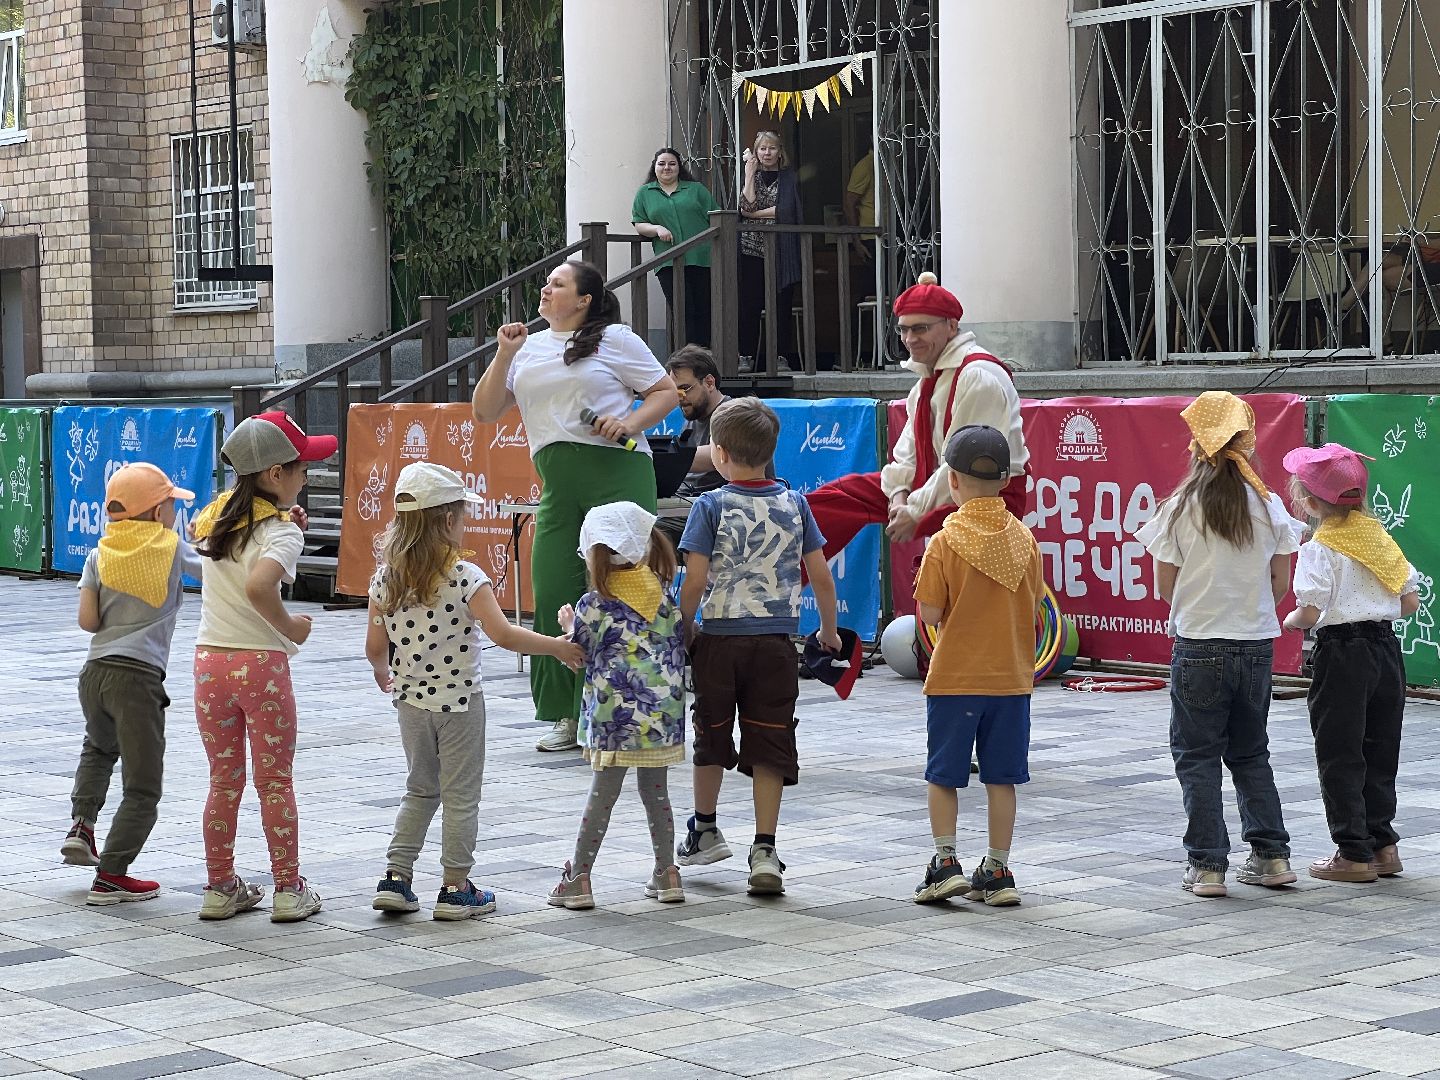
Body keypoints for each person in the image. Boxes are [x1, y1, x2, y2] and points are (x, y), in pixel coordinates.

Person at [471, 260, 680, 754]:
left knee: (627, 589)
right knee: (554, 591)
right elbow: (484, 410)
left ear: (584, 299)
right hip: (558, 485)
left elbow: (666, 392)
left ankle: (641, 703)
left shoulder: (616, 338)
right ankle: (565, 713)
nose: (545, 288)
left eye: (557, 284)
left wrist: (629, 423)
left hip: (617, 473)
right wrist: (504, 353)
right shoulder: (527, 347)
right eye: (546, 283)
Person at [366, 463, 585, 920]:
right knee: (461, 794)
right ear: (448, 520)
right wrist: (557, 647)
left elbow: (374, 646)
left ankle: (396, 877)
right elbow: (504, 635)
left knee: (419, 789)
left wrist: (383, 671)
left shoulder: (386, 579)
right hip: (461, 703)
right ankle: (455, 886)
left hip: (410, 703)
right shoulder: (465, 576)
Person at [1134, 391, 1305, 898]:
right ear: (1246, 440)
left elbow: (1165, 585)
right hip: (1255, 644)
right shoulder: (1269, 504)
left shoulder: (1180, 506)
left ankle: (1207, 866)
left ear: (1195, 442)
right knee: (1252, 753)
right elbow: (1280, 581)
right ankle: (1272, 858)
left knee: (1197, 755)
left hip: (1198, 643)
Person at [676, 397, 841, 895]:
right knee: (771, 739)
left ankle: (705, 828)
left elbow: (695, 581)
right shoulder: (796, 503)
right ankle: (764, 848)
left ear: (720, 454)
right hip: (775, 643)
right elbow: (821, 577)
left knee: (712, 732)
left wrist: (685, 626)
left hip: (720, 642)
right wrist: (829, 632)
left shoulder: (710, 506)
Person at [191, 412, 334, 923]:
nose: (306, 478)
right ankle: (288, 888)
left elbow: (206, 531)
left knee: (223, 780)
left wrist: (278, 520)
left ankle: (219, 886)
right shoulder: (281, 534)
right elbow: (258, 585)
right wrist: (290, 626)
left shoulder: (214, 519)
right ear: (276, 474)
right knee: (274, 780)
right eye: (301, 470)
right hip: (259, 665)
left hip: (209, 662)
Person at [804, 272, 1029, 566]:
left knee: (936, 567)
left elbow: (963, 466)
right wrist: (898, 498)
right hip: (942, 483)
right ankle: (777, 578)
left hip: (984, 497)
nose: (910, 339)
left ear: (951, 326)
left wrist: (915, 511)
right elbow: (907, 455)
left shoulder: (978, 377)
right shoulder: (925, 380)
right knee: (835, 499)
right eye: (904, 329)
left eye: (920, 328)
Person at [911, 426, 1043, 907]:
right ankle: (999, 867)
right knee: (1002, 777)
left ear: (954, 481)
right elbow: (1034, 607)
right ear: (1006, 480)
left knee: (944, 775)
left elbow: (927, 613)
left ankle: (945, 862)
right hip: (1011, 678)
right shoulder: (1024, 540)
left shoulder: (946, 542)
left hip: (955, 678)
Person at [1282, 444, 1420, 882]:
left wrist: (1287, 621)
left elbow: (1309, 610)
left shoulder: (1319, 547)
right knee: (1381, 749)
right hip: (1385, 649)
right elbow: (1410, 601)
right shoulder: (1379, 537)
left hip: (1341, 653)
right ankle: (1384, 847)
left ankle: (1352, 854)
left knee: (1340, 751)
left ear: (1308, 500)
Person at [62, 463, 199, 905]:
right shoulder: (171, 548)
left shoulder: (99, 553)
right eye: (170, 506)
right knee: (143, 786)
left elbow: (88, 621)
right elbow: (218, 567)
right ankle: (112, 875)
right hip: (138, 680)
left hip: (95, 673)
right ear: (157, 511)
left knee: (98, 749)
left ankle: (82, 824)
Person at [549, 503, 689, 909]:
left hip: (616, 719)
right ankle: (667, 872)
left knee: (602, 794)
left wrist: (565, 627)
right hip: (661, 716)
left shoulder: (592, 604)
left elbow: (579, 654)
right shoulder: (663, 596)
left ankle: (579, 877)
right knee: (656, 792)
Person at [632, 147, 720, 348]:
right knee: (682, 309)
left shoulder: (695, 189)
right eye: (661, 163)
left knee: (704, 307)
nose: (667, 168)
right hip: (668, 260)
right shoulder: (645, 193)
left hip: (702, 257)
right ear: (654, 167)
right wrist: (656, 228)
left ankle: (706, 352)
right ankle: (687, 355)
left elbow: (716, 217)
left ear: (679, 167)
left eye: (672, 163)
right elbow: (639, 223)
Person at [737, 131, 803, 372]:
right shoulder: (751, 175)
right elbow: (745, 206)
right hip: (751, 249)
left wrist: (754, 215)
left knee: (781, 304)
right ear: (756, 152)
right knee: (749, 305)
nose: (767, 153)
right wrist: (748, 175)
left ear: (779, 152)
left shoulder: (789, 178)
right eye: (762, 149)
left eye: (771, 148)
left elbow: (786, 210)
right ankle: (746, 356)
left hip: (781, 250)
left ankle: (780, 356)